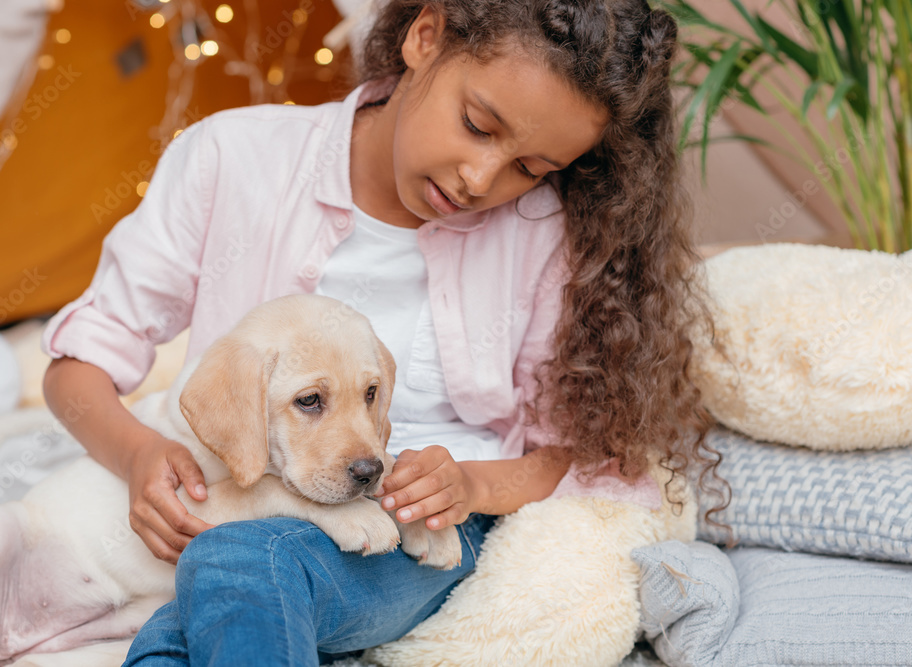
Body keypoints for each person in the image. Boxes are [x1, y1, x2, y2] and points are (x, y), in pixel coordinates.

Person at [41, 0, 722, 664]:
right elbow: (78, 363)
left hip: (418, 533)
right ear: (424, 35)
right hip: (235, 510)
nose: (481, 178)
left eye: (531, 168)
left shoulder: (545, 234)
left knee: (243, 560)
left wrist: (471, 487)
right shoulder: (232, 157)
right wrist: (136, 454)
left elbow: (573, 453)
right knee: (172, 630)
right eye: (478, 125)